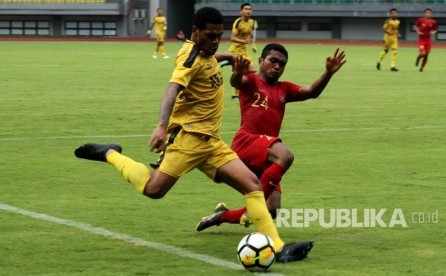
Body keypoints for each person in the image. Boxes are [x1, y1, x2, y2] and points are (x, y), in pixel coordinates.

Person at [75, 7, 312, 263]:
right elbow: (172, 89)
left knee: (252, 186)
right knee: (153, 190)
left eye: (218, 36)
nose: (214, 42)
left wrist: (229, 57)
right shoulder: (188, 59)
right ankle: (110, 153)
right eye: (210, 36)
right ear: (195, 32)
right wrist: (161, 126)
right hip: (187, 139)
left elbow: (209, 58)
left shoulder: (206, 51)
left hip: (211, 143)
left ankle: (278, 248)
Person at [196, 44, 346, 231]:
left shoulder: (284, 89)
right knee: (286, 156)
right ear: (260, 61)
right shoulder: (251, 81)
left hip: (267, 153)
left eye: (282, 64)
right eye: (272, 61)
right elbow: (236, 82)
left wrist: (328, 73)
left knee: (273, 209)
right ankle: (252, 207)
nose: (277, 67)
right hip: (248, 141)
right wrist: (236, 71)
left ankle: (222, 215)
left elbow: (311, 92)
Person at [224, 2, 257, 100]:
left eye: (250, 9)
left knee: (248, 72)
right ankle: (237, 94)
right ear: (241, 11)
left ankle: (236, 94)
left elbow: (249, 37)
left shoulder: (252, 22)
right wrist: (244, 41)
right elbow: (232, 38)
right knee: (250, 70)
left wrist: (253, 45)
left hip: (244, 51)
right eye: (246, 9)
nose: (248, 11)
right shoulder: (238, 22)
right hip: (236, 50)